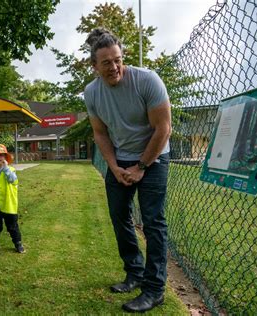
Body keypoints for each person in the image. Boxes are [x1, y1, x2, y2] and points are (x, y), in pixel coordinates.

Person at [84, 28, 172, 313]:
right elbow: (100, 134)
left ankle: (154, 288)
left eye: (117, 60)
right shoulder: (91, 93)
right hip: (120, 159)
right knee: (119, 216)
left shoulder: (147, 80)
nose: (114, 67)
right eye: (106, 62)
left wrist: (142, 166)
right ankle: (134, 272)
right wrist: (114, 166)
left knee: (153, 221)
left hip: (154, 157)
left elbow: (164, 129)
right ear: (94, 66)